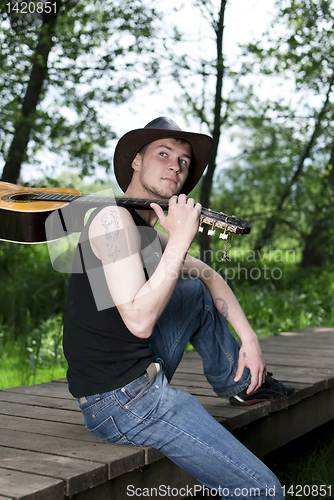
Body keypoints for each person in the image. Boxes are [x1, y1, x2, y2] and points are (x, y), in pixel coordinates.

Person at [63, 117, 293, 498]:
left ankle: (240, 384)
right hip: (120, 401)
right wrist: (181, 239)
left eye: (184, 161)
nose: (176, 165)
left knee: (193, 290)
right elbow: (138, 321)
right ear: (136, 161)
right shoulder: (111, 220)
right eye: (164, 154)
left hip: (140, 373)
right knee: (264, 490)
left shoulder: (147, 232)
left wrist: (249, 339)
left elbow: (208, 276)